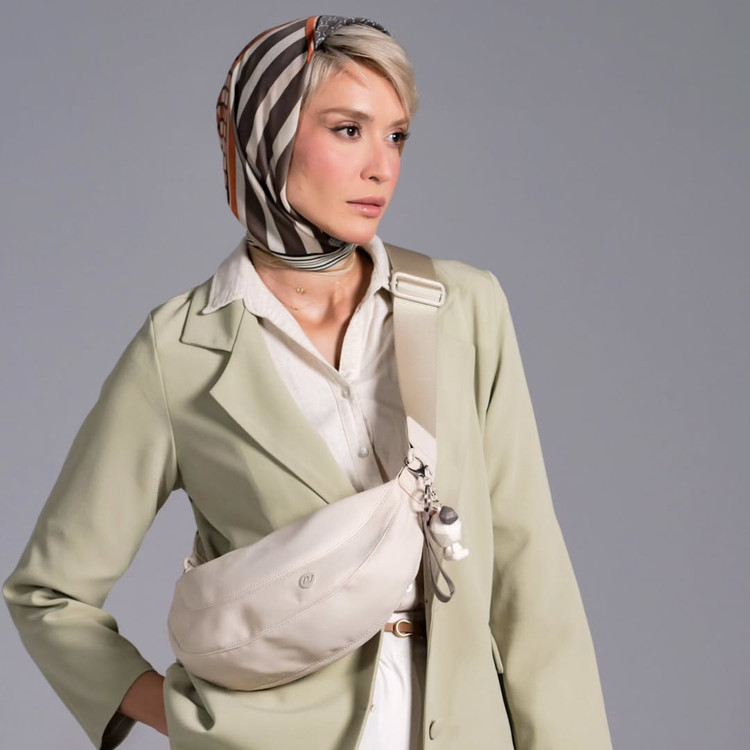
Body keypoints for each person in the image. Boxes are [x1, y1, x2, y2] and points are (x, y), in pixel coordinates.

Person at [3, 15, 613, 750]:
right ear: (269, 136)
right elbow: (48, 593)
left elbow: (528, 571)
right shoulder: (181, 349)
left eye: (397, 136)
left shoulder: (463, 307)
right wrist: (192, 719)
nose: (382, 167)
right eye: (348, 130)